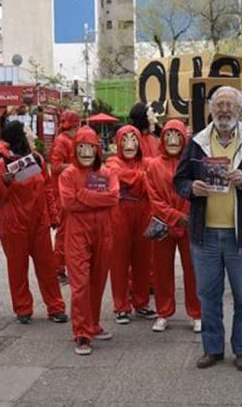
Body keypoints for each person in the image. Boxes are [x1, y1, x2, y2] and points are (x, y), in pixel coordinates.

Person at [174, 86, 242, 371]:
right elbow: (179, 180)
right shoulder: (197, 142)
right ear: (211, 109)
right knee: (208, 296)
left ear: (240, 110)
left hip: (240, 234)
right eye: (219, 105)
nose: (224, 110)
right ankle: (213, 348)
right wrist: (191, 188)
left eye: (230, 105)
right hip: (204, 234)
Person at [0, 121, 68, 324]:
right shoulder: (1, 164)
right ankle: (23, 309)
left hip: (38, 222)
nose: (32, 135)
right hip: (13, 224)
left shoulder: (37, 160)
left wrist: (53, 215)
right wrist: (5, 183)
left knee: (47, 267)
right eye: (28, 132)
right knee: (17, 268)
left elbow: (48, 188)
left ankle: (56, 307)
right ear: (20, 136)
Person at [58, 126, 119, 355]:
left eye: (90, 147)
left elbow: (113, 197)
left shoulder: (106, 172)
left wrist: (83, 195)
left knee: (98, 281)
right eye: (81, 147)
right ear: (75, 149)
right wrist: (95, 199)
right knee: (81, 284)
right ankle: (82, 333)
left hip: (103, 232)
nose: (85, 152)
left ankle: (92, 324)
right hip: (77, 235)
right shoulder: (67, 174)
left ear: (97, 149)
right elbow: (68, 203)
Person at [145, 119, 202, 333]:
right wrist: (175, 215)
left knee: (193, 270)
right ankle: (163, 312)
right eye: (168, 135)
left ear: (184, 139)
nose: (172, 140)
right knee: (161, 271)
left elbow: (194, 191)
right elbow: (154, 198)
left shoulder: (191, 163)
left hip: (188, 224)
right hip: (163, 224)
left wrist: (185, 215)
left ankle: (197, 313)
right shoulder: (152, 165)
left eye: (177, 136)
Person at [107, 125, 157, 324]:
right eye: (125, 139)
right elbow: (116, 176)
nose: (129, 144)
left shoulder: (147, 162)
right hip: (120, 213)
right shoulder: (112, 161)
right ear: (118, 142)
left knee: (144, 259)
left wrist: (136, 180)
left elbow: (154, 178)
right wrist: (142, 179)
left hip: (143, 212)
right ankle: (121, 306)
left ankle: (141, 303)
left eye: (133, 139)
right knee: (119, 261)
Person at [50, 110, 81, 285]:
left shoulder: (67, 140)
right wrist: (77, 166)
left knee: (68, 233)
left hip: (66, 192)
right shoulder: (62, 141)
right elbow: (55, 166)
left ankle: (62, 268)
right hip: (62, 194)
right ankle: (59, 269)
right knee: (63, 233)